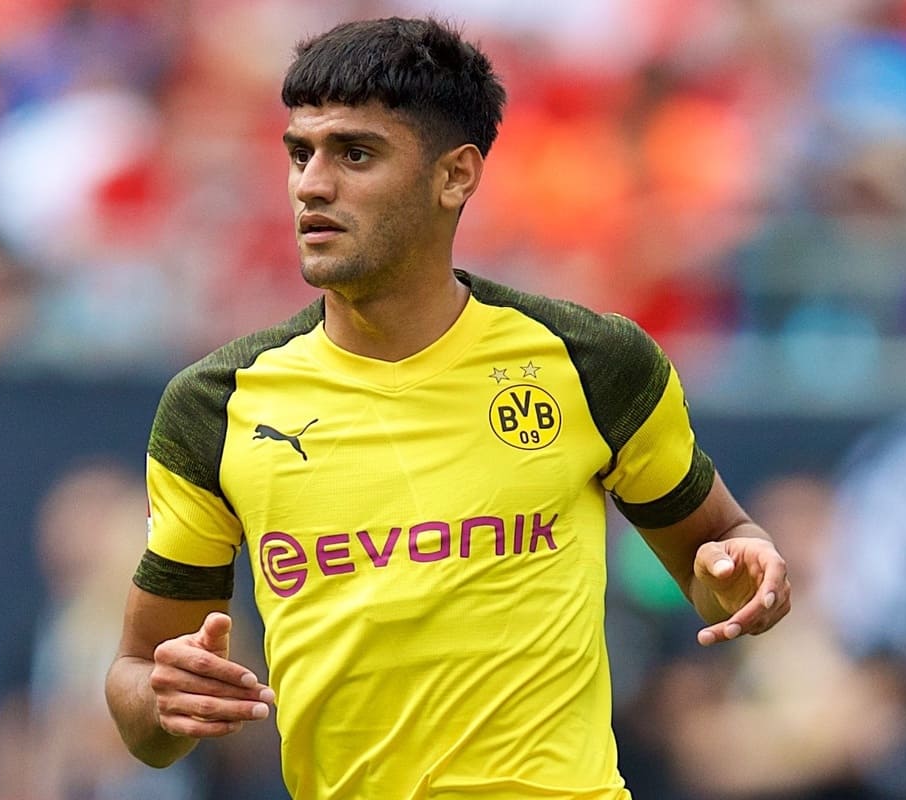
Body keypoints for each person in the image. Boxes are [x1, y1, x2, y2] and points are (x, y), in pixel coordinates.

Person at [105, 16, 791, 800]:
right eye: (301, 153)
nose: (311, 185)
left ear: (456, 175)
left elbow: (716, 554)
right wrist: (160, 702)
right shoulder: (215, 405)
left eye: (355, 153)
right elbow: (139, 683)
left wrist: (745, 572)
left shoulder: (591, 361)